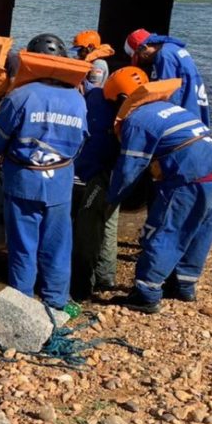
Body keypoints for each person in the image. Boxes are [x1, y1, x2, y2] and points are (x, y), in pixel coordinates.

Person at [103, 67, 212, 314]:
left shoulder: (137, 120)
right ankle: (184, 286)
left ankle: (146, 294)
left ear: (122, 98)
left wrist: (111, 200)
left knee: (164, 231)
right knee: (198, 231)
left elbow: (129, 169)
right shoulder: (171, 109)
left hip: (190, 177)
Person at [0, 33, 89, 310]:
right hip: (60, 183)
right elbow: (82, 141)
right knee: (57, 247)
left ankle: (21, 305)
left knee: (23, 247)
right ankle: (55, 304)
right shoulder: (77, 100)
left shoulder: (20, 96)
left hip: (23, 182)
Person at [70, 68, 122, 299]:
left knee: (87, 230)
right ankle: (105, 277)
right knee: (108, 223)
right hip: (116, 172)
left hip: (100, 175)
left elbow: (87, 141)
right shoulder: (105, 101)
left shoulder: (93, 101)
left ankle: (82, 286)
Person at [124, 28, 211, 127]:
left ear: (143, 47)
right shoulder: (173, 48)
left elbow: (166, 94)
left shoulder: (164, 56)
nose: (142, 61)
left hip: (185, 115)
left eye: (139, 57)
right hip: (196, 108)